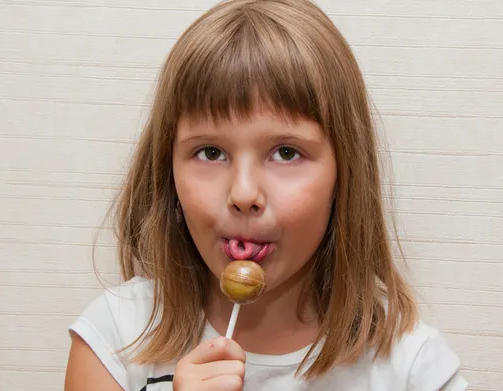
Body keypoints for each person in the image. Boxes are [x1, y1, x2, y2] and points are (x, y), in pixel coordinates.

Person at [64, 0, 468, 390]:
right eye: (211, 152)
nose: (243, 194)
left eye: (286, 153)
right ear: (167, 171)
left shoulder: (414, 370)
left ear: (344, 176)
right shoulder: (115, 339)